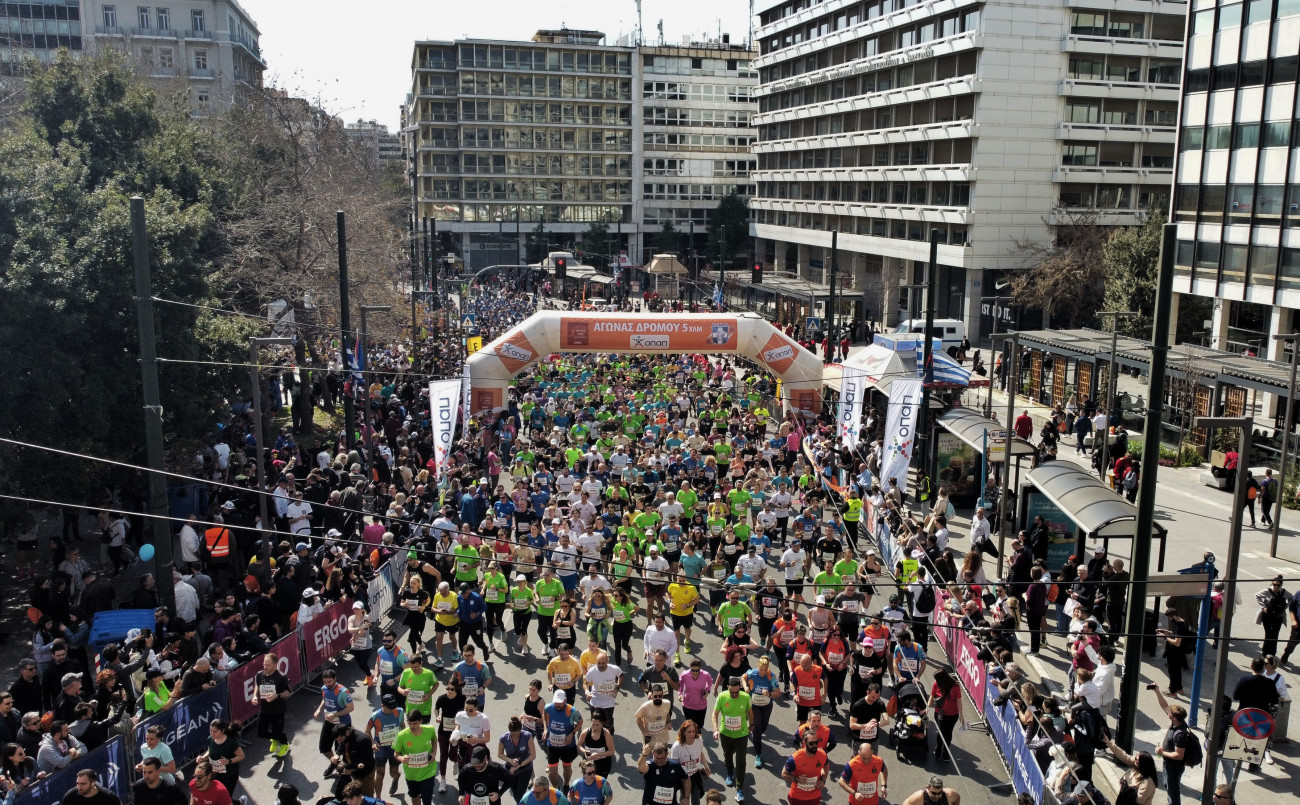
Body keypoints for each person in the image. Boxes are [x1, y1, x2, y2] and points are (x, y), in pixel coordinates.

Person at [1150, 689, 1191, 805]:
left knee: (1173, 793)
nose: (1167, 712)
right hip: (1168, 764)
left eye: (1170, 713)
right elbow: (1165, 705)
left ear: (1174, 717)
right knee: (1168, 787)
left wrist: (1162, 752)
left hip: (1174, 767)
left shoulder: (1180, 734)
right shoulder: (1177, 722)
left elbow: (1179, 755)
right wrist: (1157, 691)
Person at [393, 709, 438, 805]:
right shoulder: (401, 735)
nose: (412, 726)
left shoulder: (430, 729)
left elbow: (434, 739)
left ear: (421, 721)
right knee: (414, 796)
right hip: (411, 773)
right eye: (410, 723)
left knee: (427, 798)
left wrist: (434, 753)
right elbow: (396, 753)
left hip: (428, 771)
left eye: (415, 723)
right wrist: (401, 758)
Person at [255, 652, 292, 758]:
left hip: (278, 710)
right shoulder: (259, 675)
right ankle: (276, 739)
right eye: (264, 664)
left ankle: (285, 744)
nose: (265, 667)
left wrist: (277, 696)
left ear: (275, 665)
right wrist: (254, 696)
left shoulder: (281, 677)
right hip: (264, 708)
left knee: (277, 730)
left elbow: (289, 691)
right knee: (261, 732)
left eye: (268, 665)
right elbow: (257, 685)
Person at [782, 726, 830, 805]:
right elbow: (784, 774)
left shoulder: (822, 755)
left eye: (816, 742)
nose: (814, 745)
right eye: (811, 743)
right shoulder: (795, 758)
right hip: (797, 797)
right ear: (804, 742)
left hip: (815, 796)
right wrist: (796, 779)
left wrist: (823, 780)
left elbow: (826, 767)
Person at [498, 716, 538, 803]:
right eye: (513, 734)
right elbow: (500, 754)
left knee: (520, 795)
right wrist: (510, 760)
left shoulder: (527, 736)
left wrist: (520, 765)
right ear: (509, 731)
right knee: (516, 794)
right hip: (510, 770)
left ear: (521, 729)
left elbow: (533, 755)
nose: (515, 736)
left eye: (518, 733)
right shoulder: (503, 738)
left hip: (525, 769)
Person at [637, 741, 689, 805]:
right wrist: (644, 754)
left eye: (662, 758)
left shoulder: (675, 765)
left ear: (667, 754)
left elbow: (686, 779)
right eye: (656, 758)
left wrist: (686, 797)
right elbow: (641, 768)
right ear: (653, 754)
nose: (659, 761)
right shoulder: (650, 765)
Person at [837, 740, 888, 805]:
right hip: (856, 802)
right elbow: (841, 781)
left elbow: (884, 770)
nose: (867, 761)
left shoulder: (878, 761)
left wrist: (884, 786)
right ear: (859, 753)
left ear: (872, 752)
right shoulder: (852, 764)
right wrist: (854, 793)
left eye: (869, 758)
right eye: (864, 758)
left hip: (873, 802)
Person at [1257, 576, 1290, 657]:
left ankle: (1272, 654)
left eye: (1278, 585)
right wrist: (1263, 607)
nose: (1275, 587)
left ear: (1281, 585)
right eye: (1274, 584)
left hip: (1278, 617)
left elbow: (1291, 598)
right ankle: (1265, 653)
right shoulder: (1268, 590)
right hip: (1267, 616)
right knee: (1268, 634)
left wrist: (1285, 607)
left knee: (1275, 635)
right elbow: (1257, 595)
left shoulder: (1284, 592)